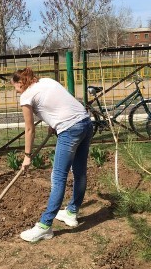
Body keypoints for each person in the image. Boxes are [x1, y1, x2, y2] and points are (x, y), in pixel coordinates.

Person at [11, 68, 93, 242]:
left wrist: (27, 156)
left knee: (58, 177)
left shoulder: (26, 96)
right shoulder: (47, 81)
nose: (15, 91)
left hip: (70, 130)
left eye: (15, 87)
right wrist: (54, 123)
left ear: (20, 83)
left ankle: (45, 226)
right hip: (85, 122)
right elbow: (61, 102)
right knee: (79, 172)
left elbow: (29, 129)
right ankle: (71, 212)